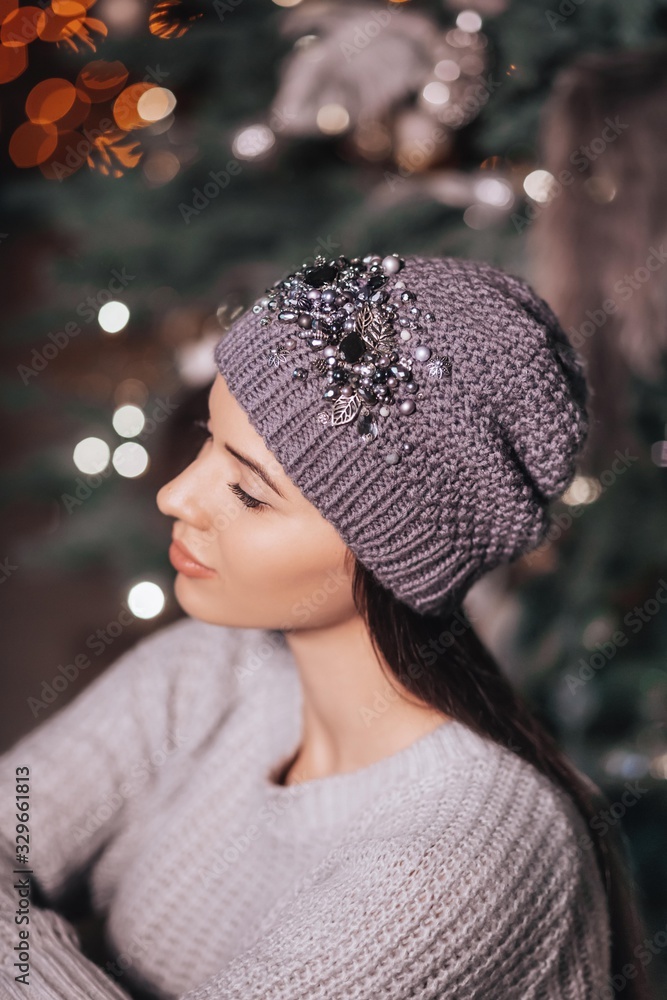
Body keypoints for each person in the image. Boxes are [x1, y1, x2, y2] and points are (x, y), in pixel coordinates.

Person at [0, 252, 652, 1000]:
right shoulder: (207, 668)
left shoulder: (469, 853)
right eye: (208, 440)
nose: (176, 495)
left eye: (248, 492)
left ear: (389, 551)